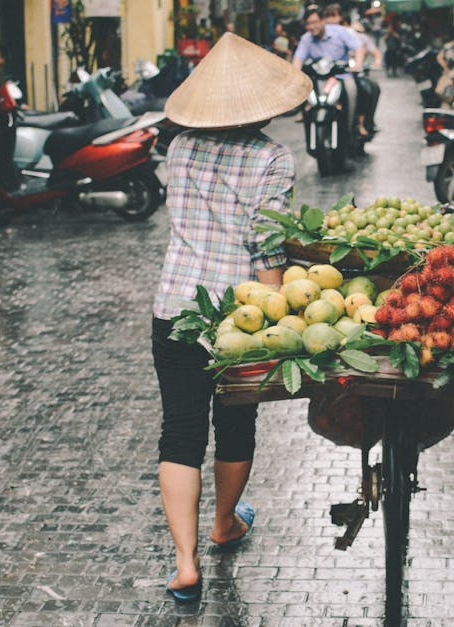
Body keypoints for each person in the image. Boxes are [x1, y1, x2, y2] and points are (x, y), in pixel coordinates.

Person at [154, 33, 310, 603]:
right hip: (237, 315)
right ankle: (224, 524)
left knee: (181, 430)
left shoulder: (178, 148)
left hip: (174, 306)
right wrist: (278, 320)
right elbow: (266, 246)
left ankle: (185, 564)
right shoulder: (271, 157)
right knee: (236, 424)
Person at [293, 6, 368, 136]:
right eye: (308, 24)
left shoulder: (341, 32)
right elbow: (298, 59)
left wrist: (358, 63)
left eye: (314, 22)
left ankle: (352, 125)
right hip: (317, 78)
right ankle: (306, 116)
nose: (311, 27)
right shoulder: (306, 38)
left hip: (341, 76)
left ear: (323, 21)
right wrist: (294, 75)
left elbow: (359, 47)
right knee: (301, 90)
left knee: (353, 90)